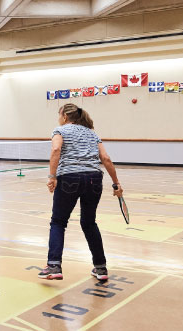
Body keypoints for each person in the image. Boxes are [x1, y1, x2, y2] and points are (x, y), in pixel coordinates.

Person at [39, 103, 123, 281]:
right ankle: (100, 268)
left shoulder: (60, 130)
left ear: (64, 116)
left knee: (58, 222)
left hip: (69, 178)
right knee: (89, 223)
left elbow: (56, 149)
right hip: (94, 179)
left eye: (59, 114)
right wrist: (116, 184)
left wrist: (52, 176)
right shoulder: (92, 134)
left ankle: (54, 265)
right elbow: (106, 159)